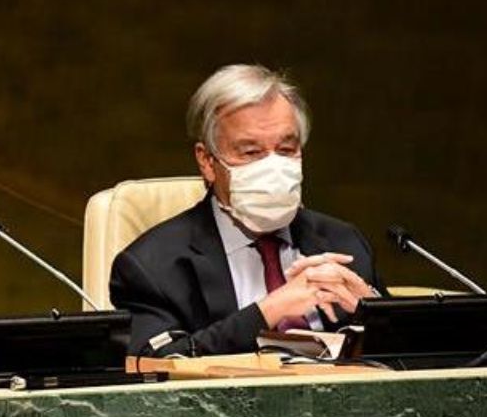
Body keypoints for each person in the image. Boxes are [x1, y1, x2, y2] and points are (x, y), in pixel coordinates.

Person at [109, 64, 384, 356]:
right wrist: (268, 311)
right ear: (206, 161)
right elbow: (154, 364)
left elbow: (409, 364)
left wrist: (374, 312)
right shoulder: (152, 266)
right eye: (251, 152)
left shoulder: (345, 242)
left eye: (287, 149)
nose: (273, 167)